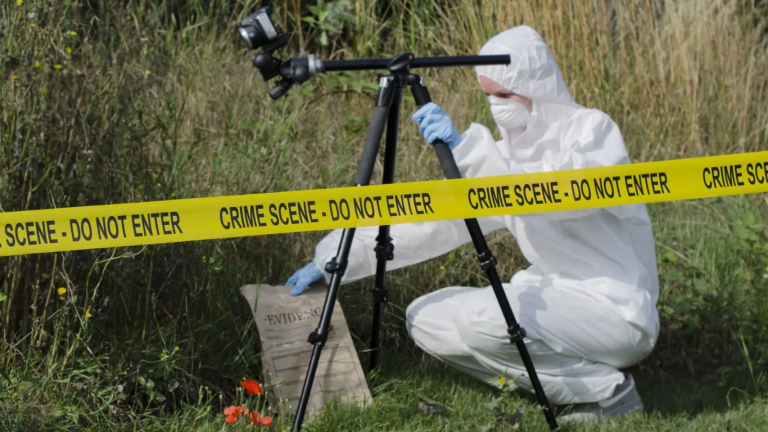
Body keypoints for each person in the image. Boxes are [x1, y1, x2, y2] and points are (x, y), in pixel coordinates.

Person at [285, 26, 660, 422]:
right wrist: (336, 256)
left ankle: (610, 394)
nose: (497, 106)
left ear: (536, 87)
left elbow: (560, 196)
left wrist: (469, 155)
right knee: (426, 318)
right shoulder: (501, 157)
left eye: (505, 95)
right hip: (555, 298)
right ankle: (571, 384)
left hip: (616, 308)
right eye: (489, 96)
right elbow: (436, 223)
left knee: (481, 320)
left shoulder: (592, 131)